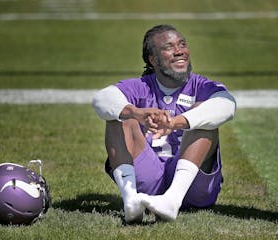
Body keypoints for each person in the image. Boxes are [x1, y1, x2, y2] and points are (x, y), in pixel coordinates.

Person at [92, 24, 236, 223]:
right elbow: (102, 99)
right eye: (169, 47)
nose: (179, 51)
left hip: (193, 189)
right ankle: (131, 201)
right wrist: (136, 112)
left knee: (203, 115)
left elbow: (227, 106)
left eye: (182, 44)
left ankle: (172, 200)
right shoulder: (139, 86)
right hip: (149, 181)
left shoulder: (202, 86)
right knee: (119, 115)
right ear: (153, 60)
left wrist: (179, 122)